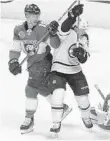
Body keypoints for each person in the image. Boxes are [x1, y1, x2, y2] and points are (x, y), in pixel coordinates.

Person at [8, 3, 72, 134]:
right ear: (26, 15)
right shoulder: (18, 29)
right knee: (41, 88)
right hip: (31, 64)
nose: (35, 18)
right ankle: (61, 107)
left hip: (44, 63)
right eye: (32, 15)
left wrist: (53, 34)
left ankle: (29, 119)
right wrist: (13, 61)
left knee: (31, 89)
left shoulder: (44, 29)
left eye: (37, 15)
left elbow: (56, 45)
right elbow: (15, 48)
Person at [48, 4, 92, 134]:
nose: (82, 32)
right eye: (80, 29)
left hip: (75, 71)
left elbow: (85, 58)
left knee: (83, 99)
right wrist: (72, 17)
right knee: (57, 95)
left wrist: (81, 55)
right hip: (59, 68)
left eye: (84, 30)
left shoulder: (84, 38)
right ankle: (56, 123)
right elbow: (64, 27)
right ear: (75, 26)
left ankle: (86, 117)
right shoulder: (66, 31)